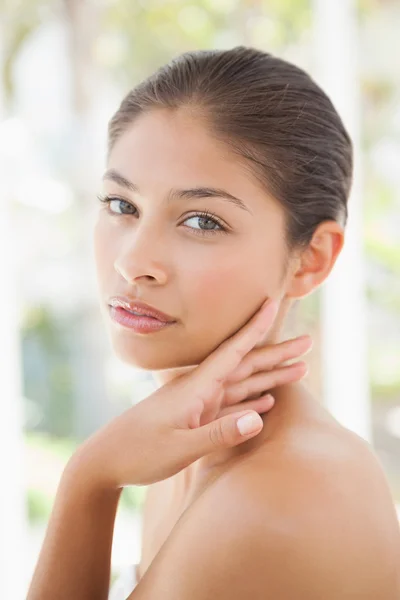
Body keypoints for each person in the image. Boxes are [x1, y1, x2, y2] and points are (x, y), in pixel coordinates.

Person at [27, 46, 400, 600]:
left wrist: (87, 480)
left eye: (202, 220)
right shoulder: (183, 449)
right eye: (121, 205)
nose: (134, 261)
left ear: (313, 257)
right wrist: (93, 476)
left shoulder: (274, 497)